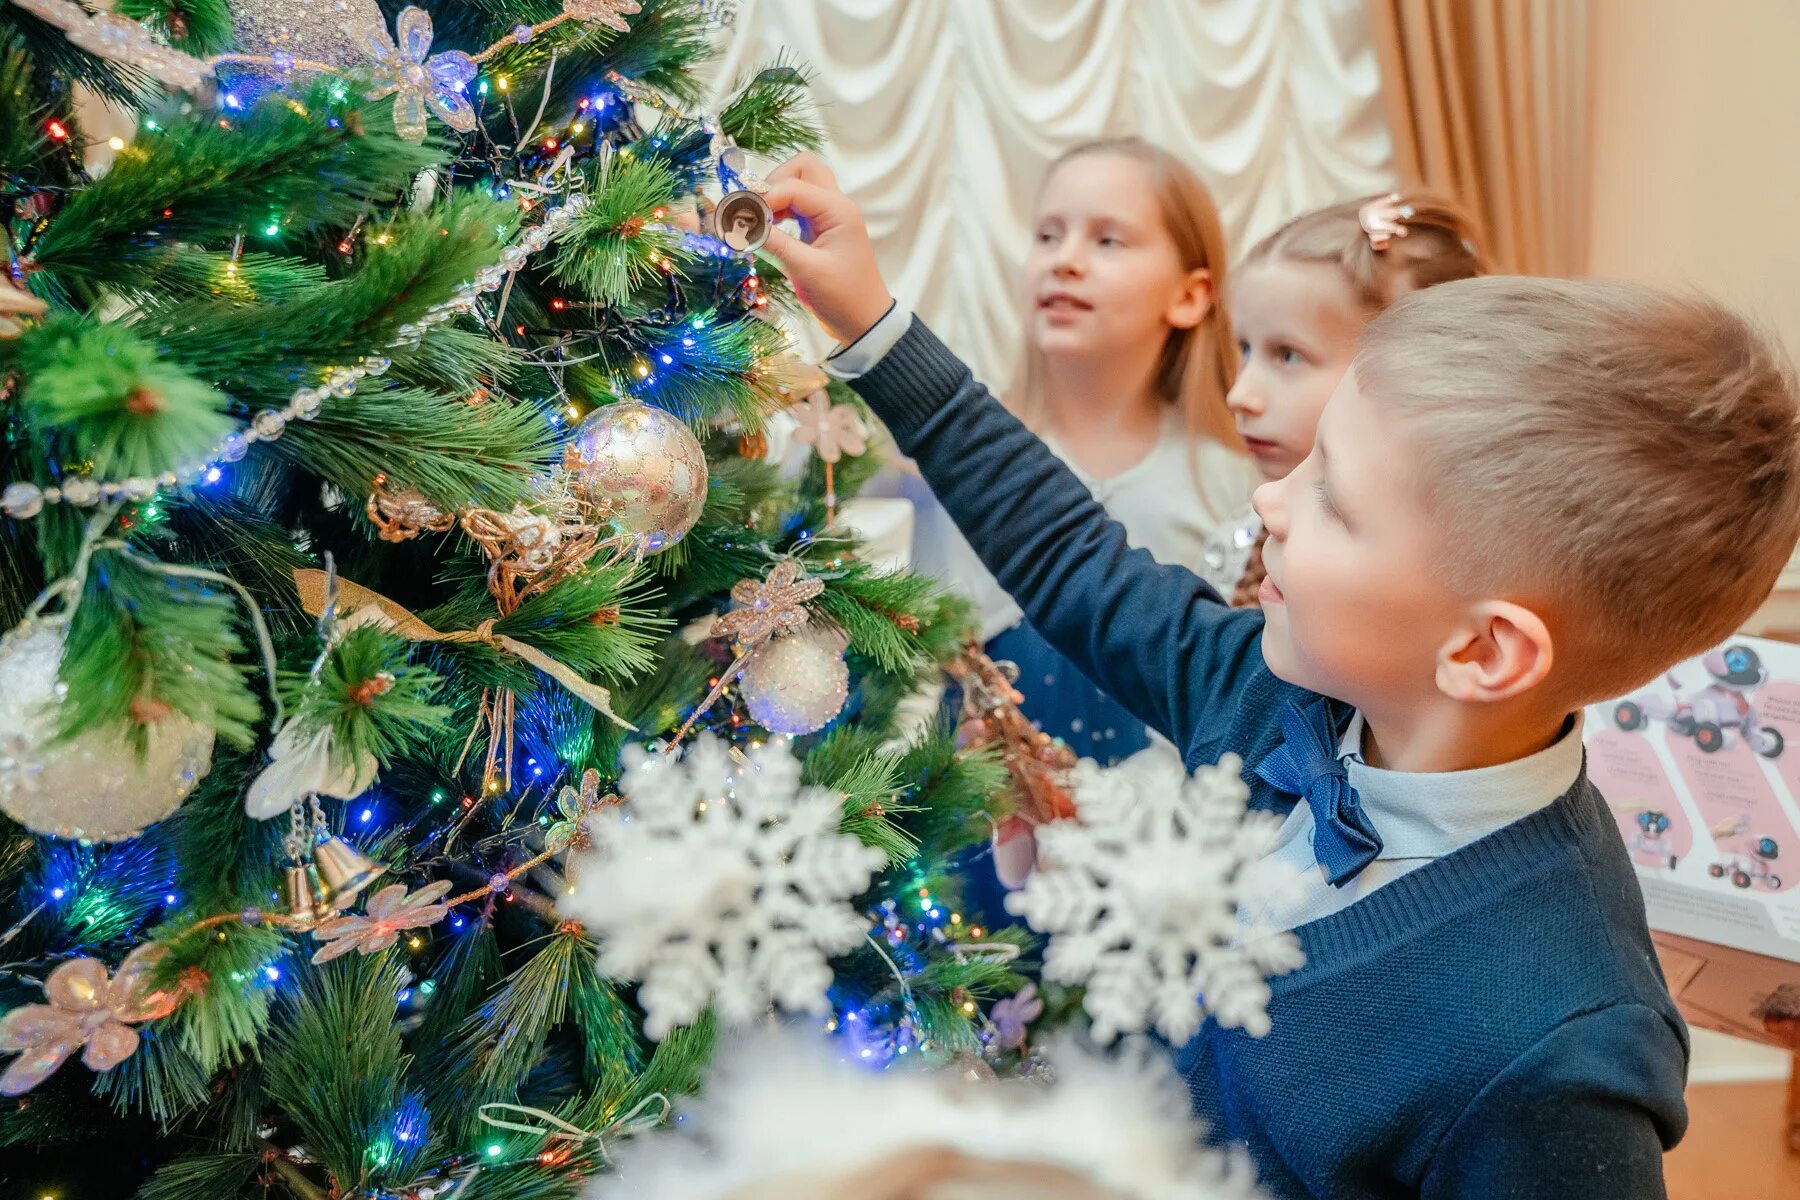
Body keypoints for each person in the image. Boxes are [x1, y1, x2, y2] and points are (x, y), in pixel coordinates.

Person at [760, 150, 1800, 1199]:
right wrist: (872, 322)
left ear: (1483, 651)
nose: (1272, 505)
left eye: (1336, 501)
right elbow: (1076, 557)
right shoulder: (1274, 699)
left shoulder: (1555, 1051)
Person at [898, 137, 1256, 769]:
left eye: (1108, 240)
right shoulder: (942, 479)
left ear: (1191, 294)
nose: (1065, 261)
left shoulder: (1240, 483)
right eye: (1047, 236)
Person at [1203, 191, 1489, 604]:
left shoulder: (1432, 575)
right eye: (1245, 349)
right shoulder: (1240, 541)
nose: (1239, 395)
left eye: (1287, 355)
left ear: (1415, 369)